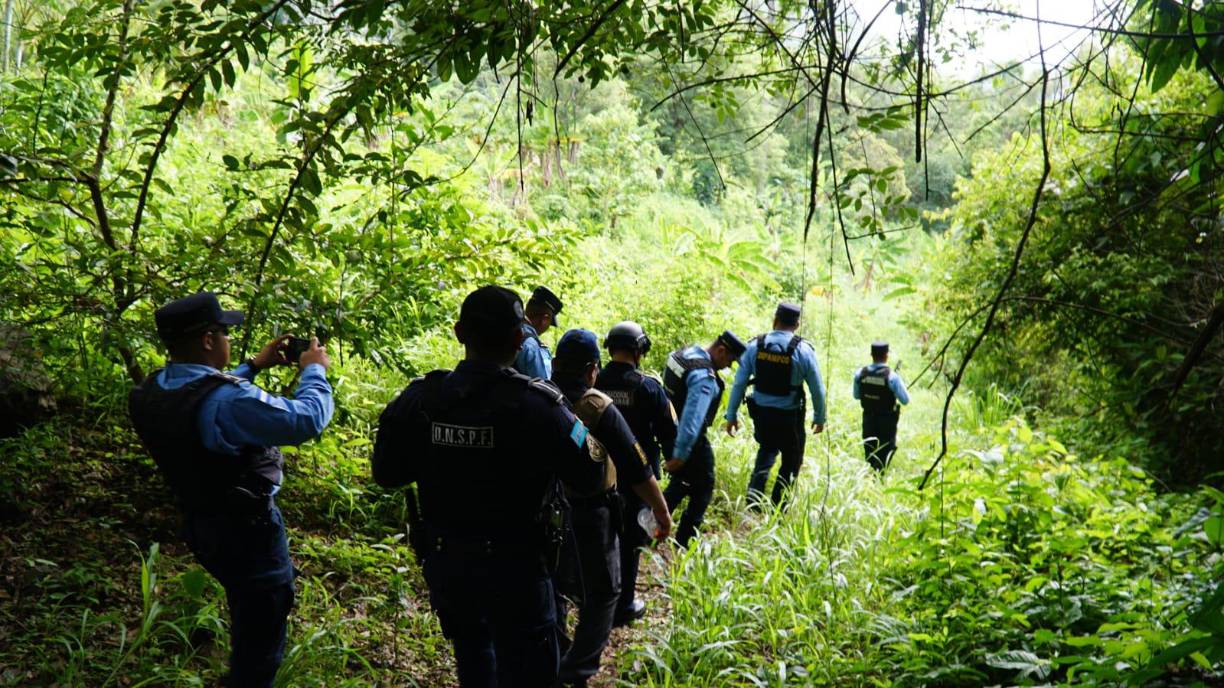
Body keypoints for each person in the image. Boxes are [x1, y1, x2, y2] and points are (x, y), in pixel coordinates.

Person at [370, 285, 604, 688]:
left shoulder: (422, 399)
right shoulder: (540, 406)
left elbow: (387, 473)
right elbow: (590, 473)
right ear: (518, 338)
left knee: (475, 663)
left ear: (459, 333)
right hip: (519, 572)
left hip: (452, 568)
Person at [128, 292, 334, 688]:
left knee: (244, 602)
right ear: (208, 340)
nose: (228, 339)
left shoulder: (152, 390)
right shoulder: (229, 402)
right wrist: (313, 371)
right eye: (224, 332)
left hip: (200, 523)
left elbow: (201, 396)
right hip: (248, 531)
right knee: (262, 626)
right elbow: (306, 420)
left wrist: (253, 366)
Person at [549, 329, 672, 688]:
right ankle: (576, 669)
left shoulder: (538, 396)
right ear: (591, 370)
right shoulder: (597, 405)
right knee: (603, 592)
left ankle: (554, 656)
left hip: (543, 510)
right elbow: (637, 466)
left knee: (555, 584)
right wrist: (662, 511)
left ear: (555, 363)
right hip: (590, 511)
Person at [595, 321, 677, 626]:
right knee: (631, 540)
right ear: (639, 350)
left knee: (601, 535)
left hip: (599, 472)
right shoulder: (649, 387)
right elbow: (669, 431)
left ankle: (601, 599)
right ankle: (624, 603)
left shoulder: (594, 380)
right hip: (638, 477)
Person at [724, 302, 827, 509]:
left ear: (775, 320)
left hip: (762, 414)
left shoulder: (755, 346)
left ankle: (753, 502)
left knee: (766, 450)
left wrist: (731, 415)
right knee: (791, 460)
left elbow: (739, 383)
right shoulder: (804, 350)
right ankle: (779, 508)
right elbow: (817, 389)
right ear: (797, 325)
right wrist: (819, 417)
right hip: (789, 417)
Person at [660, 331, 746, 548]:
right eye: (730, 360)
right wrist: (680, 455)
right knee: (703, 487)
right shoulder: (704, 377)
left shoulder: (683, 354)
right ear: (721, 350)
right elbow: (693, 419)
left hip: (667, 431)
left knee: (682, 482)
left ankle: (650, 530)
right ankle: (684, 544)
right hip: (688, 441)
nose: (728, 366)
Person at [851, 341, 910, 472]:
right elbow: (905, 400)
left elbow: (856, 396)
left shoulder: (860, 374)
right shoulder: (892, 377)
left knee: (870, 450)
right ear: (886, 355)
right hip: (887, 420)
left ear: (871, 355)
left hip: (868, 418)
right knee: (886, 450)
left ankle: (870, 475)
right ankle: (878, 476)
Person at [513, 285, 563, 379]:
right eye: (550, 323)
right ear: (545, 319)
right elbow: (543, 383)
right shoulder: (532, 346)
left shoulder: (507, 331)